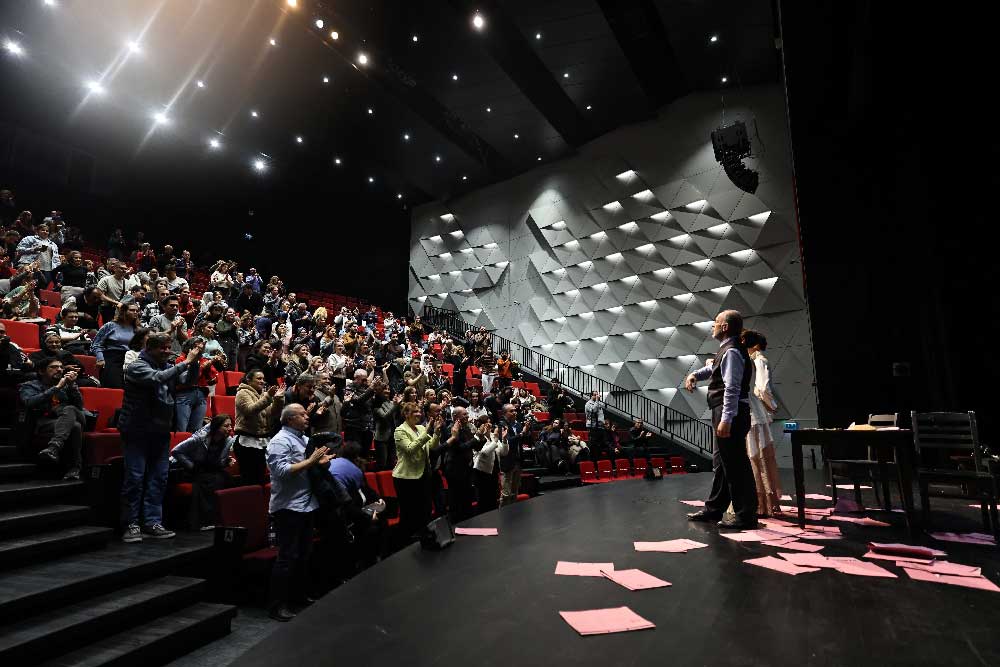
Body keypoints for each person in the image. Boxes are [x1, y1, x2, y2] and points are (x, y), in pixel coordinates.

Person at [119, 333, 202, 543]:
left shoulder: (166, 367)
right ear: (150, 348)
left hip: (161, 430)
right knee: (135, 478)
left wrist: (194, 363)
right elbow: (156, 379)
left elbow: (187, 381)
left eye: (168, 348)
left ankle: (152, 522)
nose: (167, 352)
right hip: (137, 429)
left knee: (159, 478)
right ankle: (131, 523)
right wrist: (186, 362)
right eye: (163, 348)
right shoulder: (137, 366)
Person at [683, 310, 757, 530]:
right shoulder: (727, 350)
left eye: (715, 323)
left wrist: (726, 419)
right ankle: (714, 509)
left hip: (729, 413)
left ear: (725, 327)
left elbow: (732, 388)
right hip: (726, 412)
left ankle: (746, 515)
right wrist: (695, 374)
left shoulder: (732, 351)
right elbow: (713, 368)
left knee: (736, 465)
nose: (712, 326)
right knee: (723, 464)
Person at [266, 403, 334, 622]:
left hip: (307, 504)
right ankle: (278, 605)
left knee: (304, 554)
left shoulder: (304, 439)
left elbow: (309, 468)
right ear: (289, 420)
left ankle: (298, 596)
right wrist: (311, 461)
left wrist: (320, 463)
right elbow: (282, 471)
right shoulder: (279, 441)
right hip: (288, 507)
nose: (308, 417)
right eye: (302, 414)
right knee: (286, 557)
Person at [19, 357, 85, 480]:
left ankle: (54, 447)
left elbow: (79, 407)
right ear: (41, 371)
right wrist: (56, 388)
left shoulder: (68, 385)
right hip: (46, 422)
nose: (59, 370)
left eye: (61, 367)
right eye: (54, 367)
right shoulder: (29, 386)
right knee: (75, 426)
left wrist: (72, 387)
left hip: (75, 415)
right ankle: (74, 468)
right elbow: (29, 402)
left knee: (69, 409)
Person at [171, 414, 235, 530]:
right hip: (188, 469)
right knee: (209, 481)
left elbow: (216, 462)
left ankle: (218, 519)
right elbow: (176, 451)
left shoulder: (228, 441)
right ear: (217, 427)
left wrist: (226, 462)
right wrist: (192, 466)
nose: (230, 428)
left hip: (207, 469)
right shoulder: (200, 438)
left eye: (231, 425)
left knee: (226, 478)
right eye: (226, 426)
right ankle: (202, 521)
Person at [743, 329, 781, 517]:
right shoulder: (753, 360)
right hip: (754, 411)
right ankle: (763, 502)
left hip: (754, 411)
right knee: (758, 456)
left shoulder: (758, 360)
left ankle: (763, 504)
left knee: (758, 456)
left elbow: (762, 387)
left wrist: (772, 405)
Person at [392, 401, 442, 542]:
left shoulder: (420, 428)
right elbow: (409, 449)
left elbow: (431, 446)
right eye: (415, 412)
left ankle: (423, 537)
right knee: (409, 511)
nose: (419, 414)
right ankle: (406, 541)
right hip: (406, 478)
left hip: (423, 474)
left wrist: (436, 432)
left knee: (425, 508)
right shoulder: (400, 430)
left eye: (419, 411)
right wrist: (427, 432)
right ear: (406, 414)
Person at [234, 369, 284, 485]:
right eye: (259, 378)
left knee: (260, 477)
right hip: (246, 441)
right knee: (249, 478)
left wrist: (278, 398)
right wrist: (268, 396)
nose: (262, 381)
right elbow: (250, 410)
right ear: (248, 380)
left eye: (263, 379)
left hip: (262, 440)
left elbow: (273, 413)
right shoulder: (242, 393)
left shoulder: (263, 394)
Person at [91, 299, 139, 389]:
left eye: (137, 311)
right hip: (112, 358)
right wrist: (100, 358)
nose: (135, 312)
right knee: (114, 385)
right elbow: (96, 344)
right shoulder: (110, 326)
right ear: (124, 311)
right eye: (132, 310)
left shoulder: (137, 329)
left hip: (131, 359)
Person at [442, 406, 476, 522]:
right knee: (456, 499)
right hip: (455, 469)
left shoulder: (465, 428)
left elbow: (474, 446)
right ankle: (456, 524)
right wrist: (476, 439)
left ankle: (467, 522)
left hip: (466, 467)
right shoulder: (451, 429)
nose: (467, 416)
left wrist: (481, 437)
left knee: (466, 497)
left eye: (467, 414)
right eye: (464, 415)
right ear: (455, 417)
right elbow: (459, 448)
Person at [472, 417, 503, 513]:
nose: (489, 426)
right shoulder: (477, 437)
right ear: (482, 425)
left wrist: (504, 441)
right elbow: (484, 452)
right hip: (482, 473)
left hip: (494, 470)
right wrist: (495, 441)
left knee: (493, 498)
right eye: (487, 424)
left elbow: (502, 451)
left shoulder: (494, 435)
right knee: (483, 500)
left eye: (490, 423)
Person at [498, 403, 524, 507]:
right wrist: (520, 435)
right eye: (511, 411)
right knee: (506, 494)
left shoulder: (518, 425)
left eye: (515, 410)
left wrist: (526, 433)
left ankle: (512, 516)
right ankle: (503, 516)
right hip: (507, 462)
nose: (514, 413)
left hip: (517, 461)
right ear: (505, 413)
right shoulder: (501, 425)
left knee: (514, 493)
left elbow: (521, 441)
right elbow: (507, 441)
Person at [373, 385, 400, 470]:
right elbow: (385, 417)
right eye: (385, 389)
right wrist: (395, 406)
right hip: (382, 438)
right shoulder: (376, 404)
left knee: (392, 462)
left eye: (389, 389)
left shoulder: (391, 403)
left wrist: (398, 405)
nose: (387, 391)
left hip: (392, 436)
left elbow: (397, 416)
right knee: (382, 463)